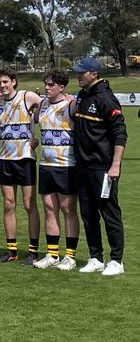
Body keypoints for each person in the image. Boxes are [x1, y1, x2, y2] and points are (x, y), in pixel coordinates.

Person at [72, 57, 127, 276]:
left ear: (93, 74)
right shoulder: (83, 95)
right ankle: (95, 257)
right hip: (83, 167)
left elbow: (120, 133)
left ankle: (117, 260)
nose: (78, 76)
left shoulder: (105, 98)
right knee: (88, 215)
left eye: (81, 73)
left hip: (103, 168)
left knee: (109, 213)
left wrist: (115, 166)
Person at [32, 70, 80, 271]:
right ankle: (52, 254)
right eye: (46, 84)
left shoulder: (70, 105)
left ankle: (70, 256)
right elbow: (32, 121)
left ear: (61, 87)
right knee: (50, 209)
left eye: (51, 85)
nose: (47, 87)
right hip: (46, 165)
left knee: (68, 209)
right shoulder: (42, 105)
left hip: (66, 165)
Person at [0, 68, 42, 264]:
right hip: (5, 159)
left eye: (5, 82)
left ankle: (33, 251)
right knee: (8, 204)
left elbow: (47, 111)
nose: (2, 86)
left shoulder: (27, 96)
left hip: (25, 159)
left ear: (13, 82)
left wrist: (38, 139)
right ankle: (11, 250)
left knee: (29, 204)